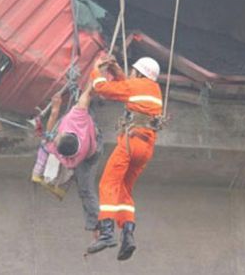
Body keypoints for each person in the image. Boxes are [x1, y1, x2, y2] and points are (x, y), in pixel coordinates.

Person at [87, 55, 163, 261]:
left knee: (107, 184)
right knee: (124, 190)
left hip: (131, 142)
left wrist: (97, 70)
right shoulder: (153, 90)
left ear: (139, 73)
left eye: (132, 71)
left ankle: (107, 232)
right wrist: (116, 69)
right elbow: (127, 86)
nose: (129, 74)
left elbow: (102, 88)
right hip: (146, 147)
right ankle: (128, 234)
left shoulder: (135, 86)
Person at [31, 83, 103, 236]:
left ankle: (97, 224)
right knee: (86, 189)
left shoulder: (67, 159)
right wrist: (92, 83)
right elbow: (85, 97)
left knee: (85, 190)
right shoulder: (76, 119)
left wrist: (55, 109)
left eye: (57, 137)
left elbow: (49, 135)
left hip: (89, 149)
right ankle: (99, 225)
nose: (55, 136)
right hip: (92, 144)